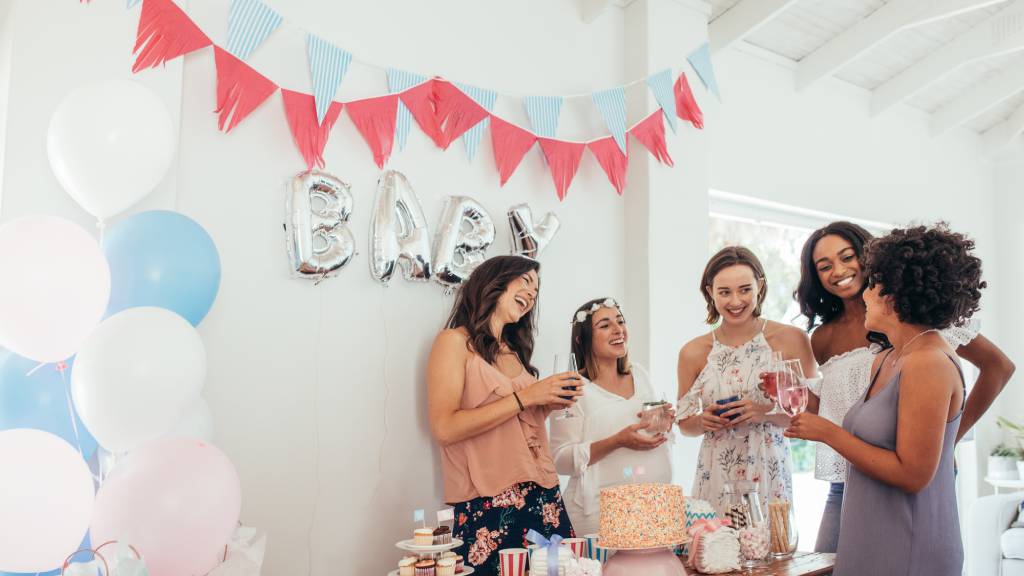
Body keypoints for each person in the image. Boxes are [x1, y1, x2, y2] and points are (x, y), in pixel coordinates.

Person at [793, 221, 1014, 552]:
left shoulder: (918, 315)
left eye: (847, 256)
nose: (838, 270)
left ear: (868, 257)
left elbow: (998, 367)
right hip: (845, 476)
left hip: (906, 469)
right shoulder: (822, 338)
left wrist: (947, 438)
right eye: (824, 266)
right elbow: (838, 407)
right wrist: (794, 399)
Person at [427, 256, 579, 575]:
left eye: (536, 290)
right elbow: (444, 427)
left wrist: (547, 404)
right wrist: (528, 396)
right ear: (493, 281)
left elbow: (517, 423)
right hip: (489, 501)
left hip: (543, 492)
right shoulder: (454, 342)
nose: (532, 293)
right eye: (525, 281)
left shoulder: (513, 352)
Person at [677, 246, 816, 512]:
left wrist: (762, 413)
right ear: (710, 292)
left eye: (745, 289)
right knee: (718, 549)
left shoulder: (791, 339)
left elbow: (811, 414)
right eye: (724, 292)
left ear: (760, 286)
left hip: (768, 470)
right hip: (716, 473)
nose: (735, 301)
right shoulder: (693, 352)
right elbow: (685, 425)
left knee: (773, 549)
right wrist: (702, 421)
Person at [550, 298, 674, 535]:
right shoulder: (571, 387)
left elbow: (646, 425)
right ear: (582, 339)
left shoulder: (640, 373)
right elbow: (560, 459)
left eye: (620, 321)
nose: (618, 330)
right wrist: (617, 441)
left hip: (654, 507)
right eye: (605, 325)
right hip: (599, 516)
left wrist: (663, 420)